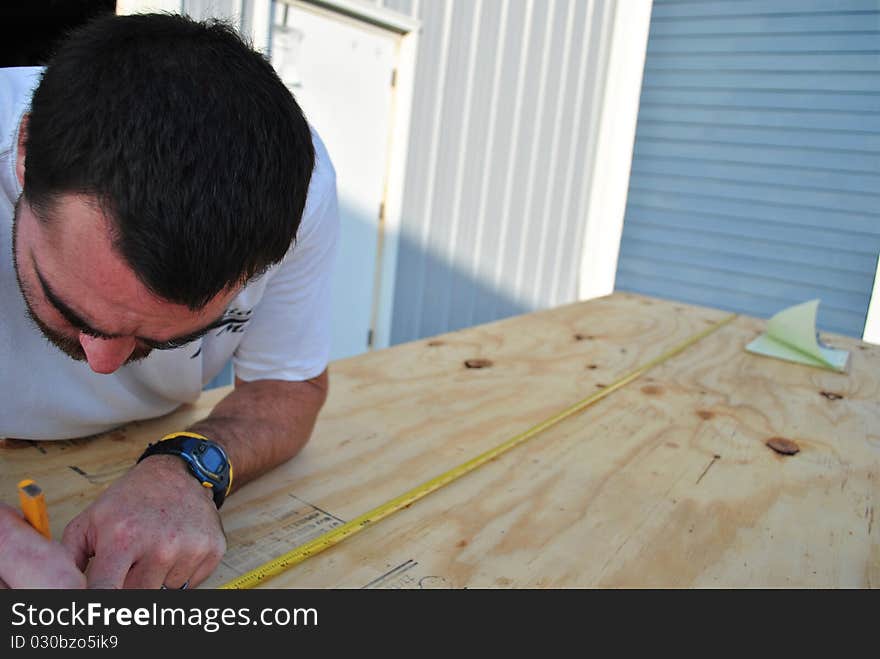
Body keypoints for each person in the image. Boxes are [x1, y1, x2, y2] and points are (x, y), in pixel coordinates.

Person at [0, 12, 339, 589]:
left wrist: (187, 468)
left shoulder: (297, 195)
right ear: (25, 155)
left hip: (146, 438)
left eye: (163, 339)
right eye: (70, 309)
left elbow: (289, 386)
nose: (102, 364)